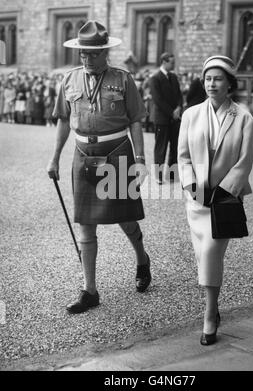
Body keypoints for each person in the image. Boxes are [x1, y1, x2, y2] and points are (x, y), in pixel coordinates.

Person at [47, 20, 151, 314]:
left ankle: (142, 260)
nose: (87, 59)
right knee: (86, 223)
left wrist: (140, 161)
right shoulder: (68, 80)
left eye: (93, 54)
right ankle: (90, 290)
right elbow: (64, 120)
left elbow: (135, 120)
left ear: (106, 52)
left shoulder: (123, 79)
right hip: (83, 153)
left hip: (117, 153)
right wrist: (54, 157)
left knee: (125, 219)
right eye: (83, 53)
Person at [178, 55, 253, 345]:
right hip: (196, 199)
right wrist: (191, 187)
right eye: (208, 79)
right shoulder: (191, 115)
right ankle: (214, 306)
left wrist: (223, 191)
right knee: (202, 256)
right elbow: (183, 156)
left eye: (218, 78)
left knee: (211, 253)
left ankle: (210, 314)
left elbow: (245, 161)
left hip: (224, 200)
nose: (212, 84)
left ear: (229, 84)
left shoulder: (244, 117)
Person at [149, 52, 183, 184]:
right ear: (164, 62)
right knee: (161, 148)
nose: (174, 65)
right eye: (172, 62)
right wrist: (172, 112)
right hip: (162, 119)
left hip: (174, 119)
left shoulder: (173, 77)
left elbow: (179, 95)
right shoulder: (155, 78)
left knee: (175, 147)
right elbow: (158, 100)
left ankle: (172, 175)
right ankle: (158, 175)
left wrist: (179, 107)